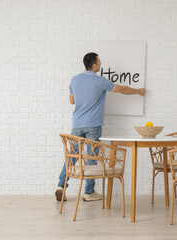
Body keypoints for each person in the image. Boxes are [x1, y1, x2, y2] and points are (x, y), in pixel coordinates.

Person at [55, 52, 145, 202]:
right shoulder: (100, 81)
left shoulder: (75, 80)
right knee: (91, 158)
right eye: (100, 61)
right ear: (94, 65)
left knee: (72, 156)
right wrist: (138, 91)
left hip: (77, 124)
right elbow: (122, 89)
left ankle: (60, 186)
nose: (101, 63)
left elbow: (72, 101)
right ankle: (89, 192)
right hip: (93, 125)